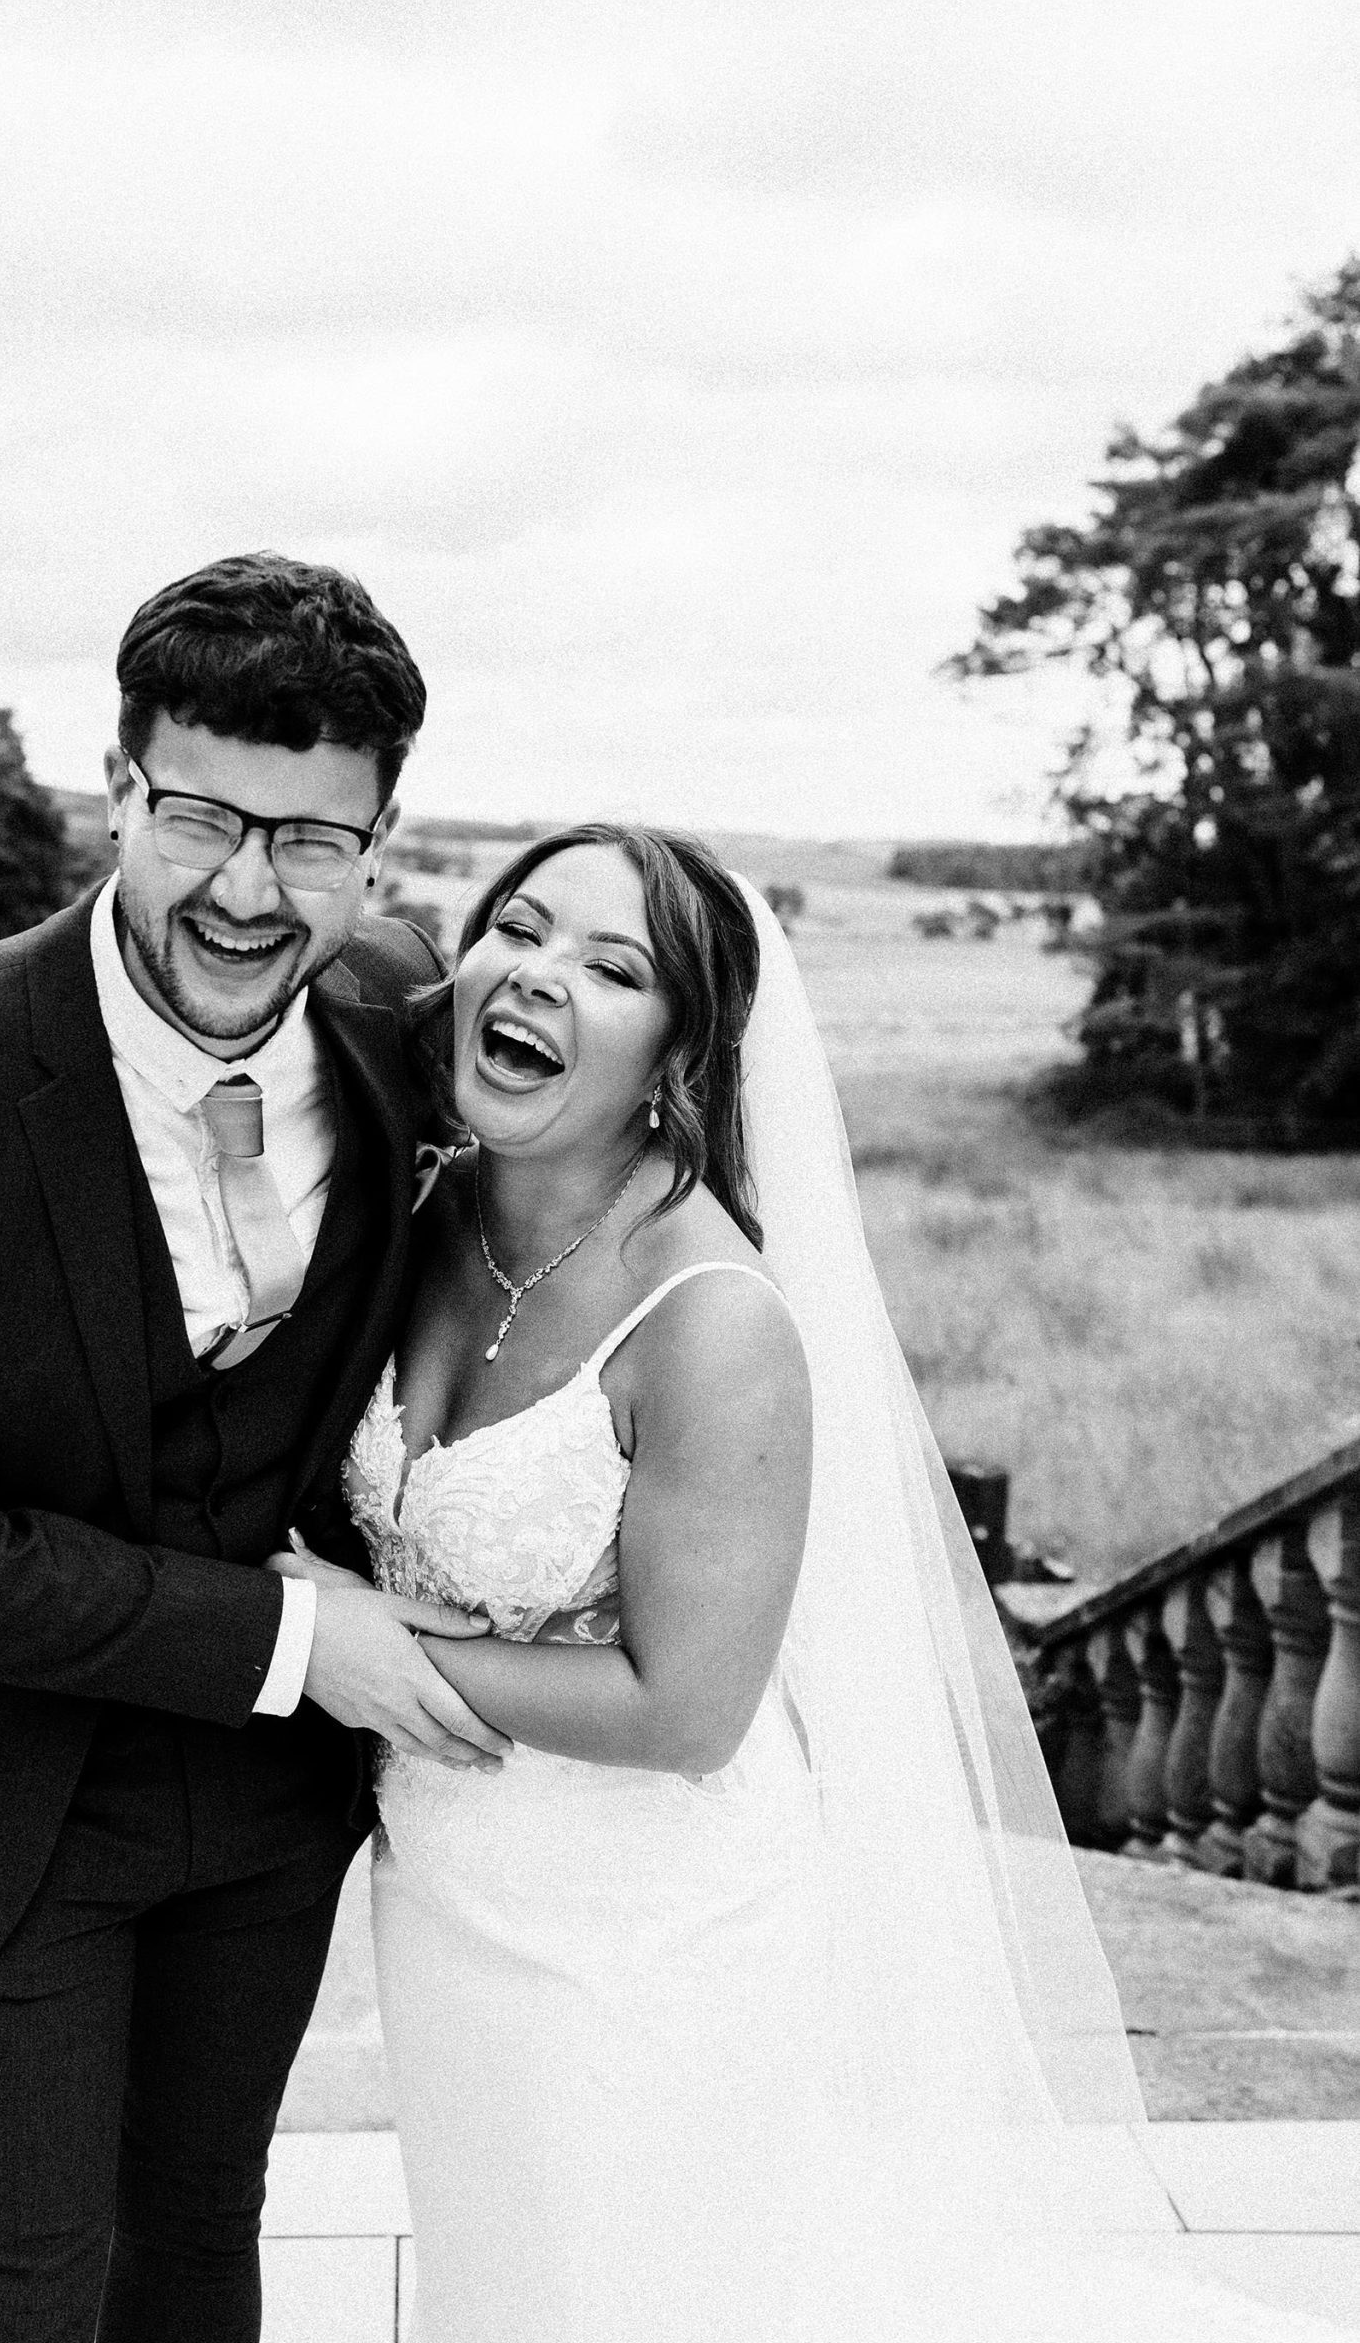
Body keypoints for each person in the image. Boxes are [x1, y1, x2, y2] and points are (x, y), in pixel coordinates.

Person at [273, 822, 1342, 2341]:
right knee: (503, 2280)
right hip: (450, 1891)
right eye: (520, 926)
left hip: (652, 1923)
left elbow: (686, 1706)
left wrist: (348, 1641)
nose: (538, 975)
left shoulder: (712, 1319)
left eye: (613, 965)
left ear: (675, 1057)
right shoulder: (425, 1218)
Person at [0, 553, 511, 2343]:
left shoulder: (402, 1011)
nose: (252, 891)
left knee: (196, 2245)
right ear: (119, 791)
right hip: (4, 1789)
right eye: (202, 820)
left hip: (271, 1813)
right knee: (21, 2289)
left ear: (380, 841)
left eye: (314, 841)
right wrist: (296, 1639)